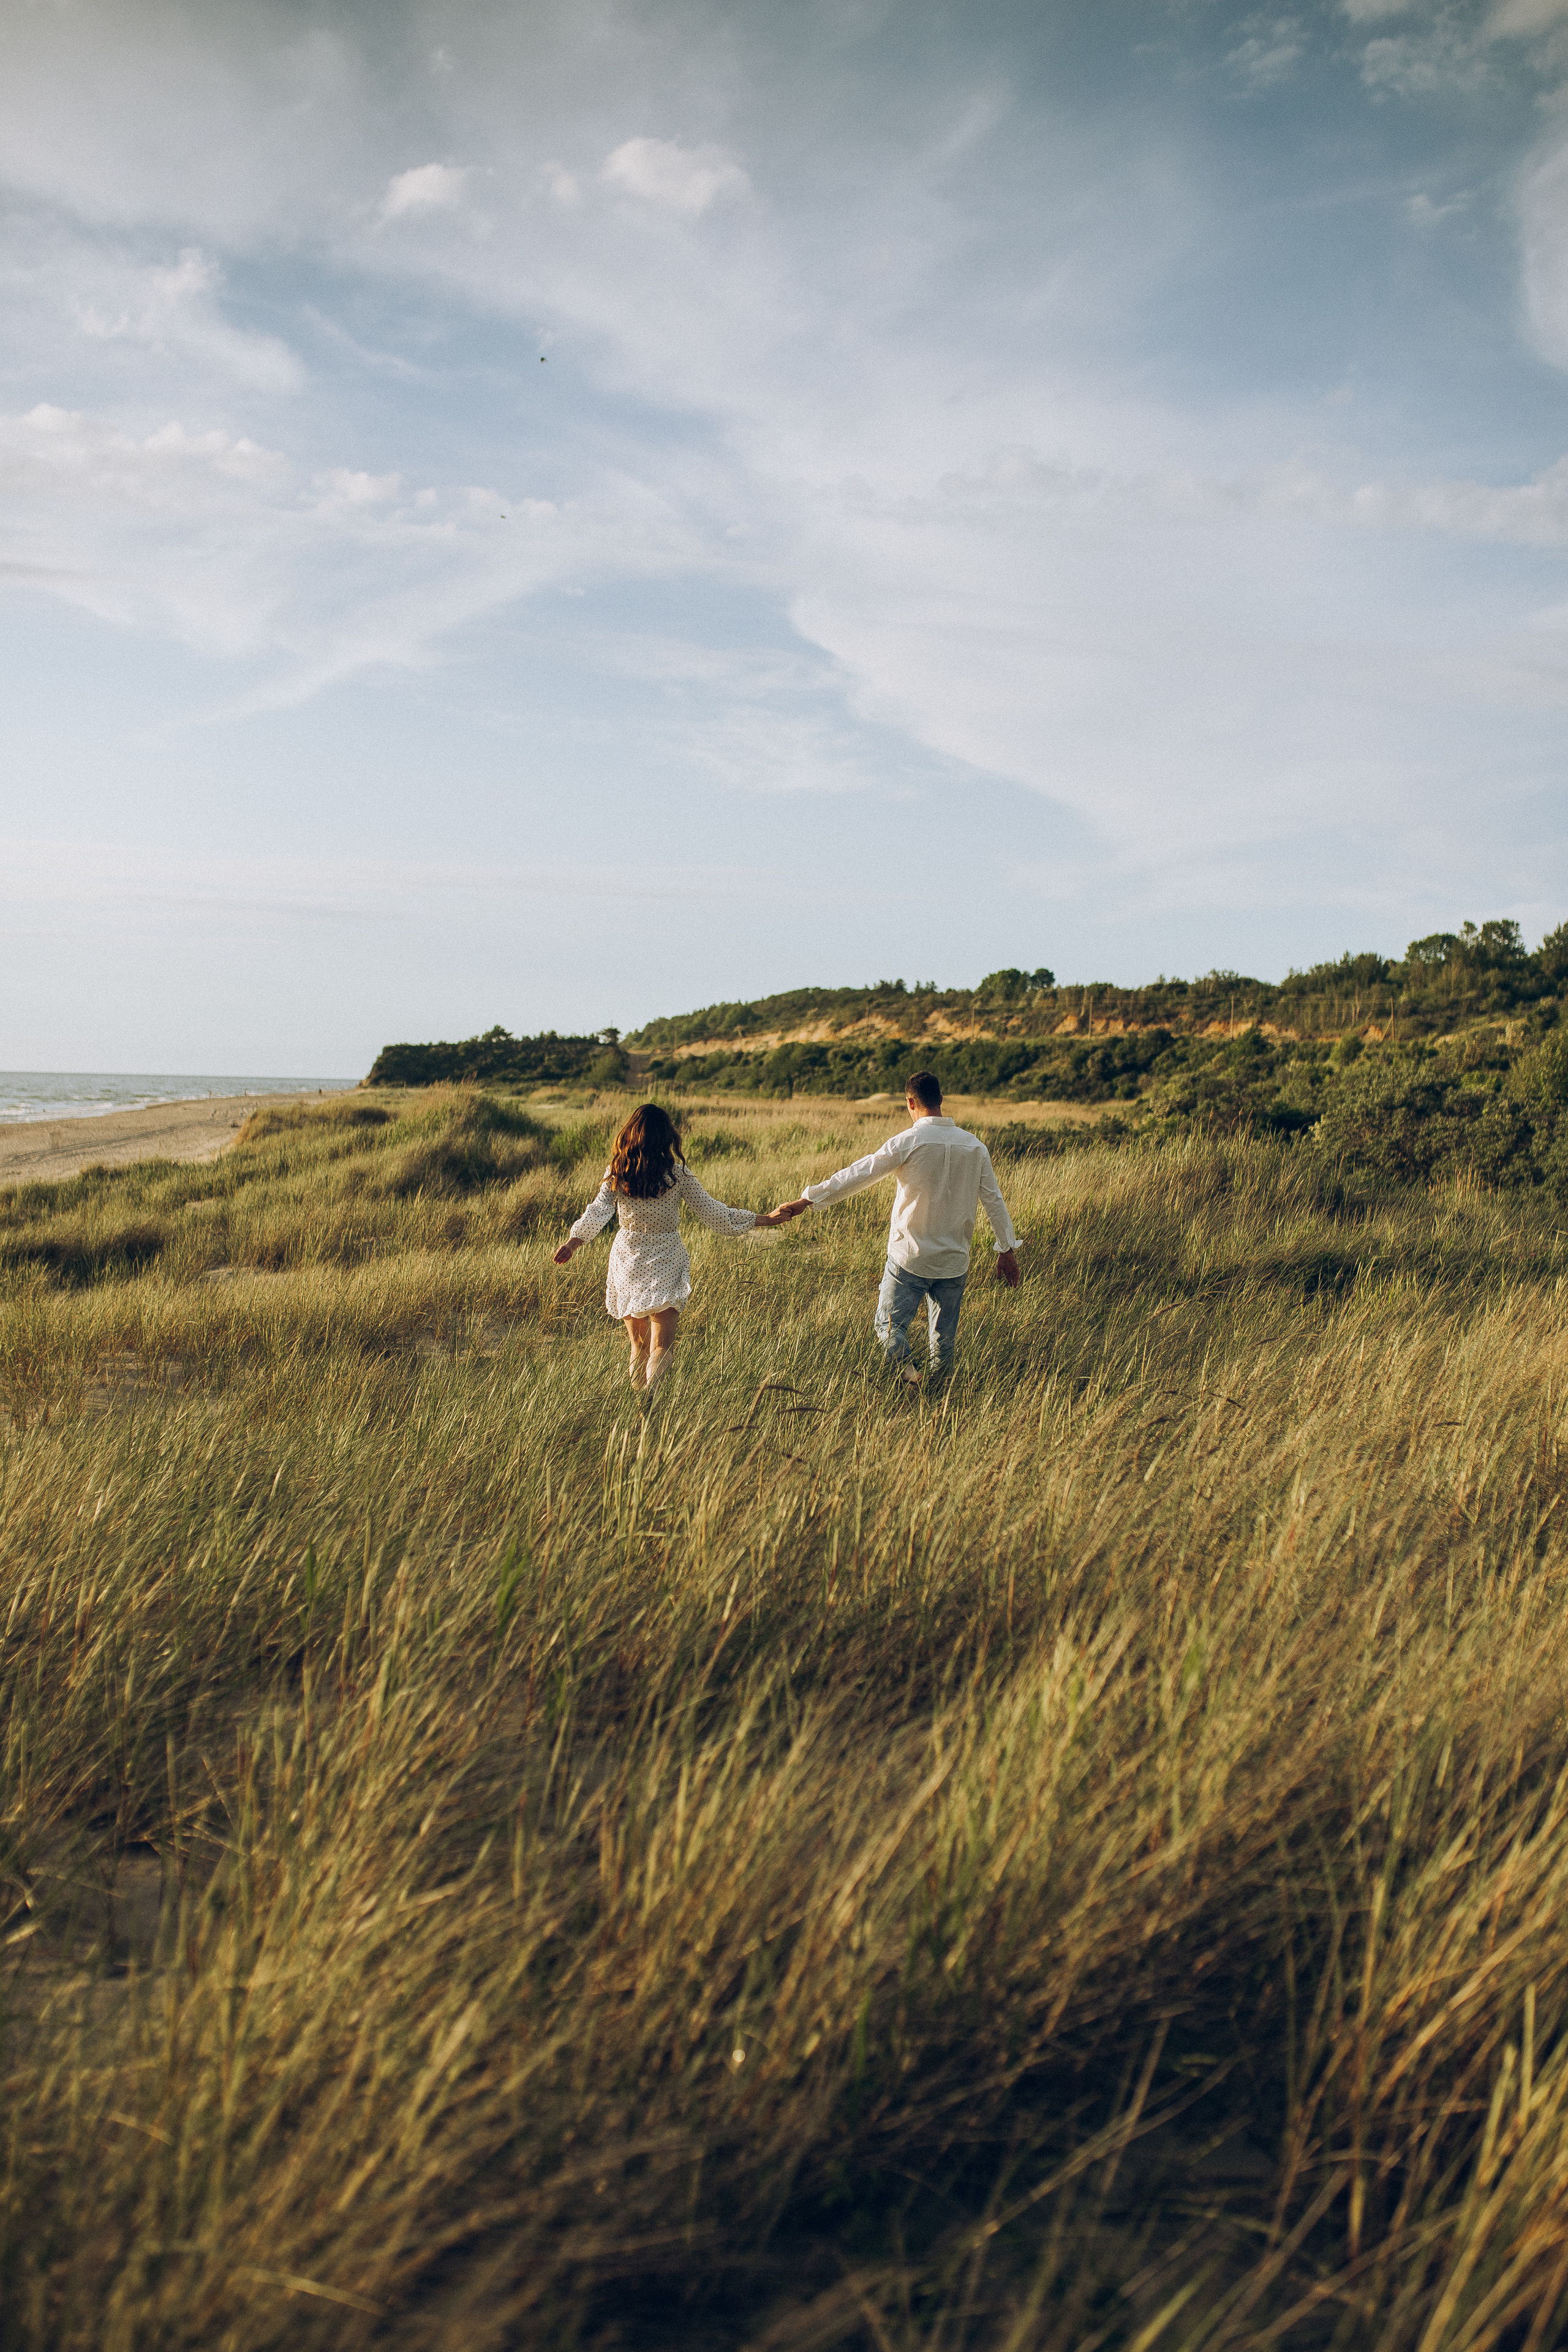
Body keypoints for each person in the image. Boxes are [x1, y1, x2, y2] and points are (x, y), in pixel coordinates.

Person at [772, 1071, 1020, 1381]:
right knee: (943, 1343)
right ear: (941, 1100)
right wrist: (1006, 1250)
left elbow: (858, 1174)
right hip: (953, 1262)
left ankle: (909, 1376)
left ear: (910, 1102)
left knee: (887, 1327)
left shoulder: (909, 1141)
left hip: (909, 1258)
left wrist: (807, 1199)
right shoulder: (975, 1147)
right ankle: (938, 1399)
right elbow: (994, 1202)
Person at [554, 1102, 791, 1390]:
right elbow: (715, 1215)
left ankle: (640, 1406)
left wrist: (574, 1241)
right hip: (666, 1257)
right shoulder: (678, 1174)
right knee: (661, 1347)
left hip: (628, 1258)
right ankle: (652, 1406)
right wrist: (767, 1219)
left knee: (638, 1347)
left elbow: (598, 1211)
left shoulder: (619, 1171)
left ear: (630, 1135)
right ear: (667, 1136)